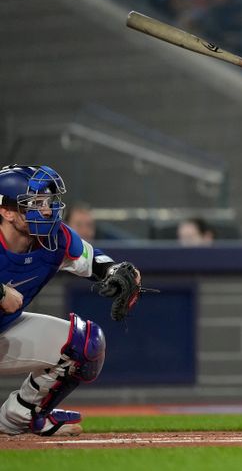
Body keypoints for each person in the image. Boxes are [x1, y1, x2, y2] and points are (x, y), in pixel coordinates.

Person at [0, 165, 144, 436]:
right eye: (34, 203)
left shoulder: (54, 238)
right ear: (6, 211)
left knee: (84, 344)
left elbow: (94, 261)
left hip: (3, 330)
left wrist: (116, 272)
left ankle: (18, 417)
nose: (46, 210)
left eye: (47, 202)